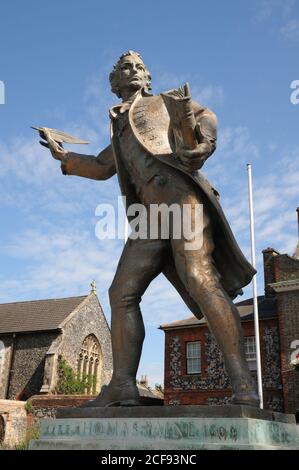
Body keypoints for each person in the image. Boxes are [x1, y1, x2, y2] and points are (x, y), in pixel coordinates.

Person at [40, 51, 259, 407]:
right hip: (149, 217)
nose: (135, 70)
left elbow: (206, 117)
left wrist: (203, 138)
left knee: (200, 279)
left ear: (147, 78)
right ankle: (123, 385)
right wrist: (63, 158)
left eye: (140, 66)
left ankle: (245, 388)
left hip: (181, 198)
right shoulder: (118, 125)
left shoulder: (160, 103)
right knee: (121, 293)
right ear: (115, 82)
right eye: (127, 66)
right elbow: (100, 165)